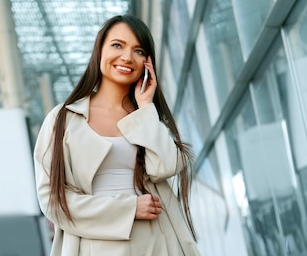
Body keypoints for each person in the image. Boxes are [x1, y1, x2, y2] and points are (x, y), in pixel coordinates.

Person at [34, 14, 201, 256]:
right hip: (94, 245)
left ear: (147, 61)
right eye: (117, 45)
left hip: (158, 240)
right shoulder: (63, 119)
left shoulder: (146, 117)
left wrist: (145, 108)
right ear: (99, 50)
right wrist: (129, 208)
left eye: (139, 50)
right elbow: (54, 201)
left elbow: (165, 166)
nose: (127, 57)